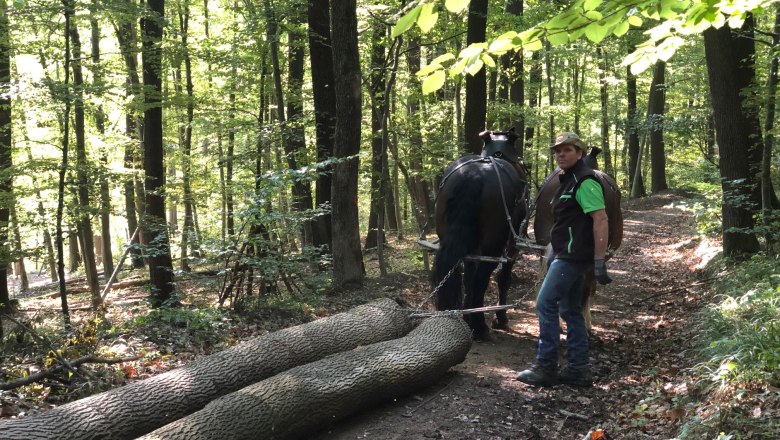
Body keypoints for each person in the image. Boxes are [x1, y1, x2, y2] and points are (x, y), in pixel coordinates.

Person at [516, 132, 612, 388]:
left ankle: (545, 366)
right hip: (565, 254)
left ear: (580, 153)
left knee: (545, 304)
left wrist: (599, 260)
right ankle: (579, 369)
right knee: (570, 310)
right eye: (557, 150)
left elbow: (600, 219)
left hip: (572, 257)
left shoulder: (585, 182)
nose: (561, 154)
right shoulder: (568, 180)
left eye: (567, 150)